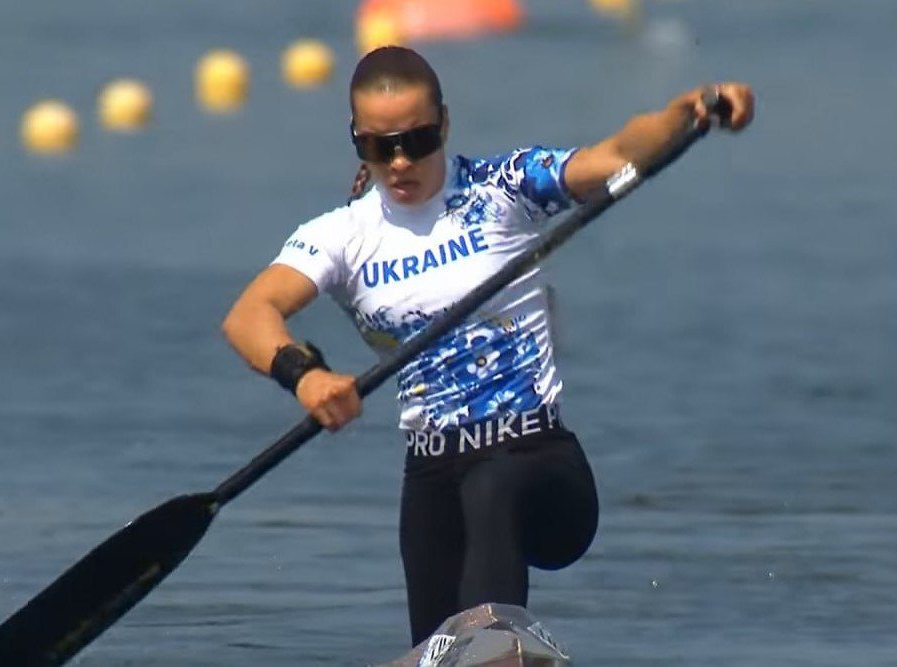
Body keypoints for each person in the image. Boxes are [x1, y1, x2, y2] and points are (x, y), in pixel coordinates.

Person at [222, 46, 754, 645]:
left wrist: (689, 110)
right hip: (432, 474)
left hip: (540, 467)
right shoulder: (339, 238)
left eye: (418, 140)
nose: (400, 162)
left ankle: (491, 645)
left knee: (491, 485)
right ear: (357, 140)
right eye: (378, 146)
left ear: (444, 125)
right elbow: (248, 316)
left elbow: (619, 153)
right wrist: (307, 376)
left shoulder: (505, 188)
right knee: (433, 636)